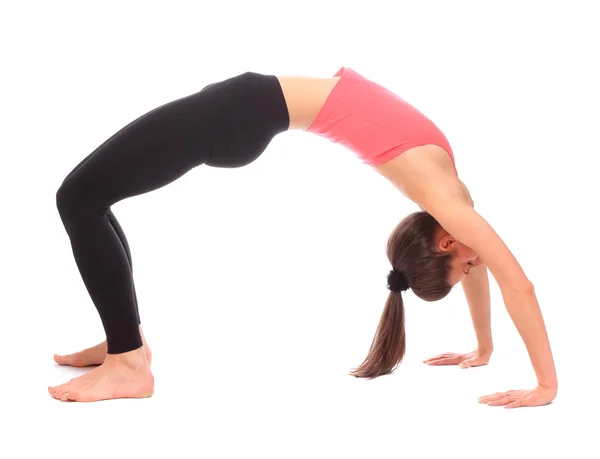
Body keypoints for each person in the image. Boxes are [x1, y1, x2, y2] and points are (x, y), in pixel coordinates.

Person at [49, 67, 557, 407]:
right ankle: (126, 343)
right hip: (242, 112)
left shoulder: (447, 201)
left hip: (239, 112)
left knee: (79, 198)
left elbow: (507, 279)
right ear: (449, 242)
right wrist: (501, 357)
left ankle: (128, 364)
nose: (478, 264)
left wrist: (532, 377)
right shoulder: (450, 200)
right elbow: (507, 277)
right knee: (87, 198)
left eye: (469, 266)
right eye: (468, 266)